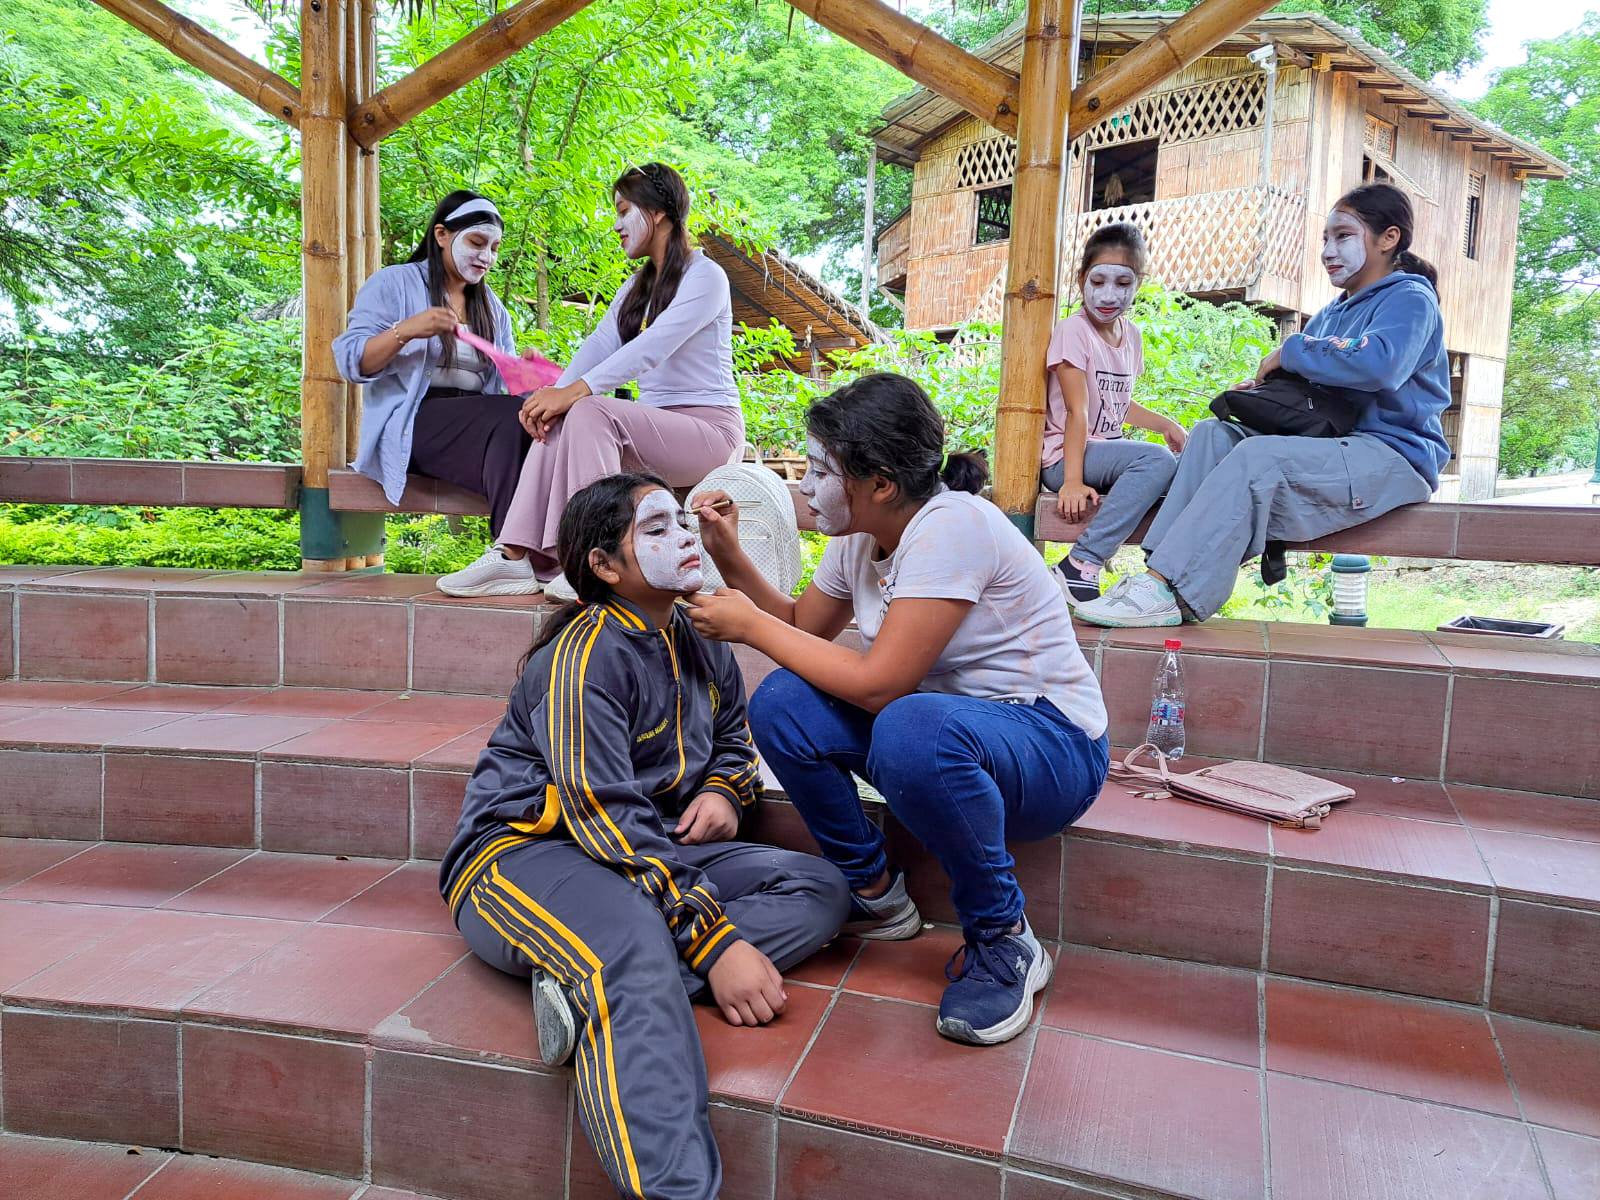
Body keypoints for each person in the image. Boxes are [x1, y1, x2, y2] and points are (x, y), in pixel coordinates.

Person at [438, 472, 848, 1200]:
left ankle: (601, 988)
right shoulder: (583, 657)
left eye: (683, 524)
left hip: (651, 853)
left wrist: (726, 789)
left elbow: (730, 737)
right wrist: (716, 944)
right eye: (656, 530)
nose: (685, 539)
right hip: (526, 856)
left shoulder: (699, 633)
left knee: (818, 886)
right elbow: (602, 817)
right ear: (605, 566)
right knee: (631, 940)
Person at [686, 373, 1109, 1048]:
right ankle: (876, 893)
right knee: (785, 703)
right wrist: (730, 555)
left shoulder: (954, 528)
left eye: (821, 471)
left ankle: (1003, 937)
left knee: (909, 725)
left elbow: (881, 687)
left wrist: (749, 628)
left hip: (1053, 749)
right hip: (950, 737)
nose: (806, 488)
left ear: (878, 482)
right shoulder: (861, 531)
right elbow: (802, 625)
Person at [1076, 183, 1450, 628]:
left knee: (1255, 457)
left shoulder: (1411, 298)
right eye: (1325, 240)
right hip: (1334, 445)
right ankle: (1156, 579)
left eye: (1343, 236)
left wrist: (1290, 351)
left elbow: (1381, 366)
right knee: (1212, 435)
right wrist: (1264, 388)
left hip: (1392, 455)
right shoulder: (1334, 312)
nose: (1329, 250)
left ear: (1388, 238)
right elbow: (1317, 392)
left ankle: (1167, 585)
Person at [439, 163, 744, 599]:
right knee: (565, 415)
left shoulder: (705, 276)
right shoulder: (638, 286)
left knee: (589, 407)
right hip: (655, 430)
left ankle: (598, 557)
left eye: (623, 211)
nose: (617, 225)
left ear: (656, 213)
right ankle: (513, 557)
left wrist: (574, 393)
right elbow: (599, 346)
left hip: (710, 431)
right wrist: (550, 398)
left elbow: (651, 347)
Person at [334, 191, 536, 588]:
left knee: (542, 428)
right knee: (508, 420)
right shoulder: (394, 283)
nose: (487, 257)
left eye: (494, 248)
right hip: (416, 424)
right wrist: (408, 330)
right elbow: (351, 361)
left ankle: (548, 560)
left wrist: (526, 373)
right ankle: (513, 553)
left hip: (481, 425)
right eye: (477, 243)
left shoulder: (493, 309)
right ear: (442, 235)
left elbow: (504, 388)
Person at [1043, 223, 1186, 606]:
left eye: (1123, 283)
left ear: (1138, 283)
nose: (1109, 295)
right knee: (1155, 459)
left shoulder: (1131, 336)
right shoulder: (1074, 331)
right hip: (1064, 457)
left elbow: (1116, 404)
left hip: (1103, 452)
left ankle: (1158, 577)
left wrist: (1165, 424)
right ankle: (1081, 562)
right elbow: (1079, 410)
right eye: (1099, 280)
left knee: (1186, 468)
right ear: (1081, 280)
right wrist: (1071, 481)